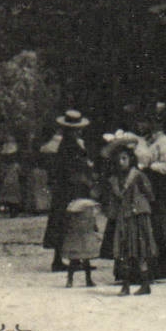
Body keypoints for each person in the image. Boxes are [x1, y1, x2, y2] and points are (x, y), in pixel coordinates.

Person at [41, 111, 92, 272]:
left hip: (65, 187)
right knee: (69, 221)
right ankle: (69, 259)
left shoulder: (68, 143)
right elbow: (71, 167)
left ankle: (67, 259)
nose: (78, 131)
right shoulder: (70, 145)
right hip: (70, 187)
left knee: (64, 221)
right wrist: (85, 167)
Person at [105, 136, 157, 295]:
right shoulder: (114, 180)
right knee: (124, 251)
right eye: (118, 159)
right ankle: (126, 285)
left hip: (137, 216)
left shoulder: (138, 176)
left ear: (131, 159)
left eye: (124, 158)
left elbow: (150, 194)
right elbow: (113, 200)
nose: (122, 162)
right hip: (123, 217)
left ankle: (145, 283)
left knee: (140, 251)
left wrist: (140, 202)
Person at [139, 106, 166, 279]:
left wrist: (148, 167)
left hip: (157, 183)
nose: (143, 125)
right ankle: (148, 265)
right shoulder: (146, 140)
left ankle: (161, 266)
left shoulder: (163, 141)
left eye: (148, 122)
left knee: (158, 223)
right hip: (146, 183)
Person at [57, 166, 100, 288]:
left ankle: (70, 281)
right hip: (85, 235)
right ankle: (88, 280)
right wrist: (95, 228)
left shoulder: (72, 206)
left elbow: (67, 220)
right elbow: (92, 219)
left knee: (73, 260)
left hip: (74, 236)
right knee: (86, 260)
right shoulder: (88, 206)